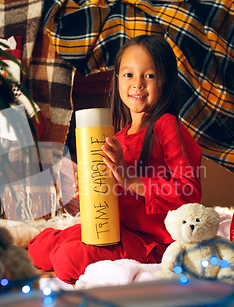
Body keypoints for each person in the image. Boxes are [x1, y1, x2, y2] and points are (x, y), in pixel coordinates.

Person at [28, 35, 203, 284]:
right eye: (128, 74)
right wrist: (90, 190)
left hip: (152, 241)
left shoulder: (167, 126)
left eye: (150, 75)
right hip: (114, 230)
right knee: (40, 245)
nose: (138, 84)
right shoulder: (117, 137)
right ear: (117, 79)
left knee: (66, 259)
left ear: (166, 80)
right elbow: (113, 195)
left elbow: (190, 191)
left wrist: (131, 180)